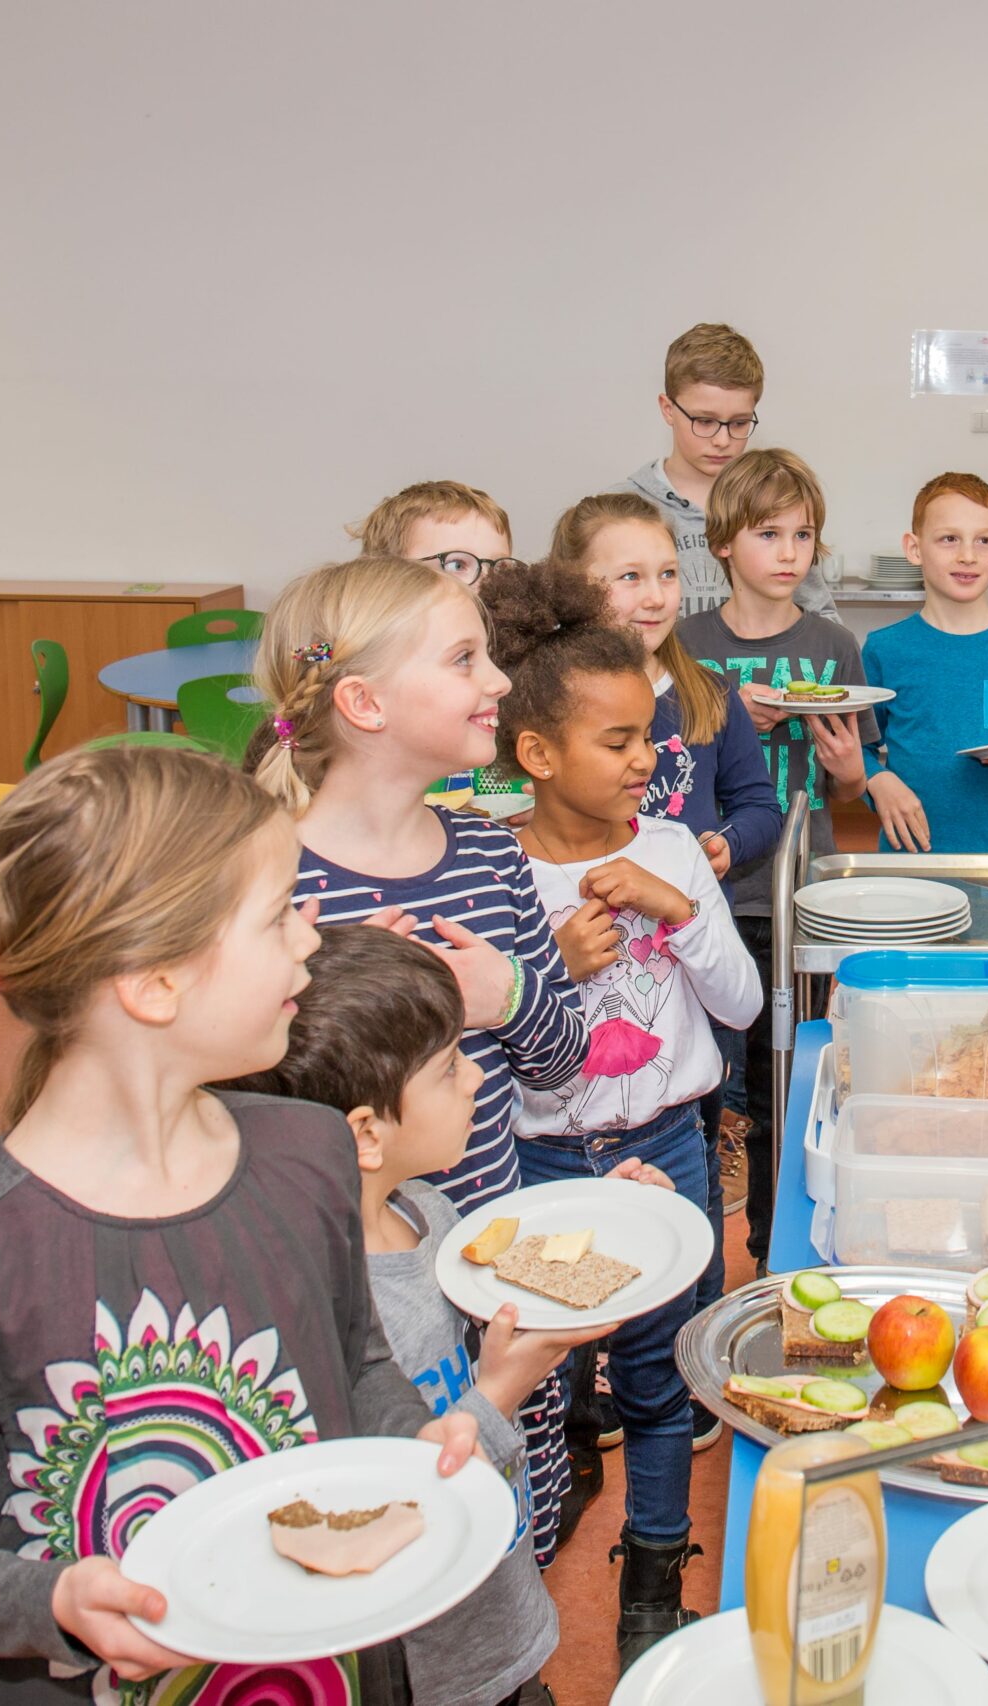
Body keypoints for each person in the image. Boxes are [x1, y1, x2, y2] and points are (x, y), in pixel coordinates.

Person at [0, 745, 483, 1703]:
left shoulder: (307, 1152)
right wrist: (51, 1600)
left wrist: (413, 1440)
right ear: (154, 985)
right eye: (277, 918)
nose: (311, 941)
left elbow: (354, 1359)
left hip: (330, 1673)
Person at [224, 925, 687, 1706]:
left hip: (497, 1610)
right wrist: (499, 1394)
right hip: (429, 1670)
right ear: (367, 1134)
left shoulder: (428, 1212)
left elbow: (526, 1293)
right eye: (447, 1068)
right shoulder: (334, 1306)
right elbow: (370, 1509)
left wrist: (618, 1216)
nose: (476, 1076)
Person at [250, 555, 594, 1557]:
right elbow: (243, 1106)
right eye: (464, 658)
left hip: (485, 1257)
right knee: (376, 1516)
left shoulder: (489, 851)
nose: (498, 681)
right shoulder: (275, 881)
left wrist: (507, 994)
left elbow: (559, 1059)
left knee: (498, 1506)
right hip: (343, 1290)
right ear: (364, 701)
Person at [484, 561, 763, 1673]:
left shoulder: (664, 848)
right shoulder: (495, 870)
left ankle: (653, 1569)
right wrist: (543, 968)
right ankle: (545, 1518)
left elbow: (740, 1004)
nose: (646, 760)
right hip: (539, 1157)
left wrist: (681, 908)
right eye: (617, 742)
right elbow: (481, 1053)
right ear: (537, 755)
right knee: (543, 1372)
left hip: (662, 1144)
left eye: (647, 735)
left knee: (658, 1370)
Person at [679, 448, 875, 1267]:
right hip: (699, 899)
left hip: (796, 896)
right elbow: (658, 771)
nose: (791, 553)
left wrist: (852, 777)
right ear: (723, 542)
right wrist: (729, 732)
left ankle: (771, 1258)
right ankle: (689, 1252)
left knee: (785, 1081)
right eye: (769, 534)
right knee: (701, 1090)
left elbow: (849, 800)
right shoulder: (684, 645)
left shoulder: (833, 645)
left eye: (805, 535)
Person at [859, 472, 988, 854]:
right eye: (949, 538)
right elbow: (859, 747)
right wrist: (878, 781)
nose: (968, 555)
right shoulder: (884, 649)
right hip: (911, 858)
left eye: (983, 541)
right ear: (914, 548)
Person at [614, 323, 837, 617]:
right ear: (668, 409)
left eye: (739, 423)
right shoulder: (619, 510)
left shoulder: (773, 502)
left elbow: (821, 618)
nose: (722, 440)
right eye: (704, 421)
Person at [354, 479, 528, 587]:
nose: (488, 582)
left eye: (501, 569)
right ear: (386, 577)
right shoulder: (340, 644)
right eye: (457, 565)